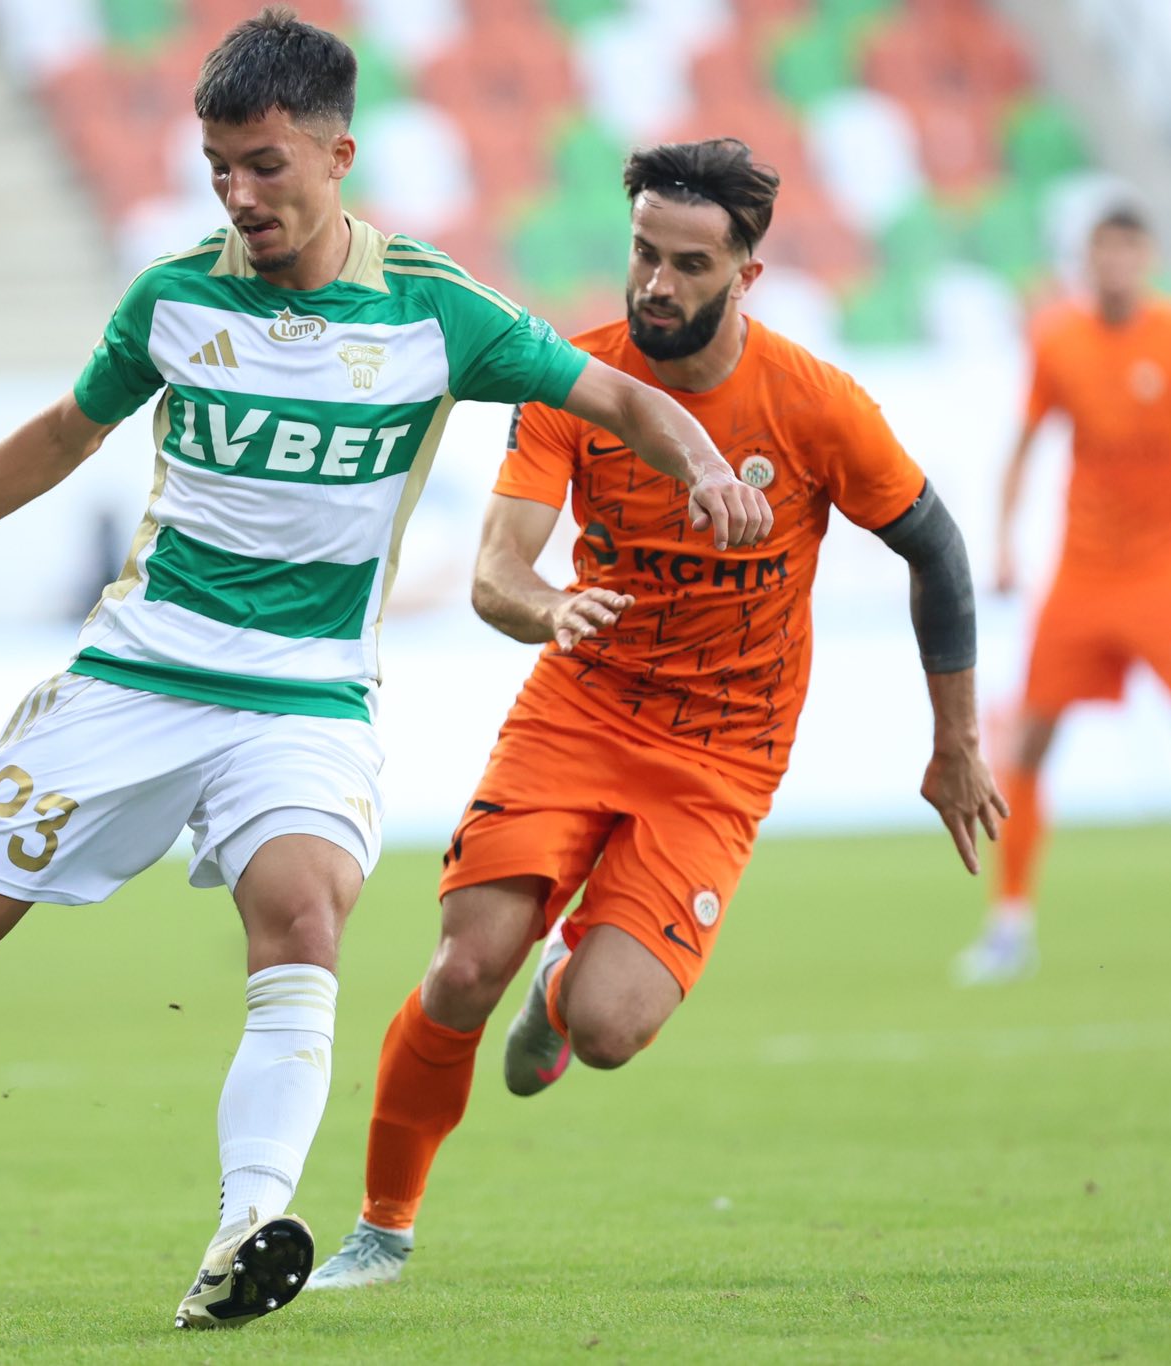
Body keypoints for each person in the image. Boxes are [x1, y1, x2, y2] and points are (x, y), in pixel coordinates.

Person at [0, 10, 771, 1333]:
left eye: (265, 165)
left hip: (306, 697)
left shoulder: (435, 311)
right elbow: (62, 434)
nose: (239, 195)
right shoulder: (174, 298)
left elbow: (622, 395)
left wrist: (703, 464)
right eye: (217, 166)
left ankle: (246, 1226)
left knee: (303, 916)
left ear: (338, 155)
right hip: (137, 674)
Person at [305, 137, 1006, 1290]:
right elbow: (494, 572)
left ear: (745, 275)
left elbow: (934, 549)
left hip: (722, 753)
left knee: (609, 1029)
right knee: (465, 963)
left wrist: (955, 740)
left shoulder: (814, 405)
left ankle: (562, 986)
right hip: (577, 714)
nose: (655, 284)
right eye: (643, 253)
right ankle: (381, 1228)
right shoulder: (573, 381)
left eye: (688, 264)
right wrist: (548, 608)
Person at [954, 206, 1171, 984]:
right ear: (1086, 261)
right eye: (1100, 250)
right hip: (1082, 575)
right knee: (1030, 742)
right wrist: (1006, 543)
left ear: (1146, 258)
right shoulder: (1058, 340)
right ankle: (1010, 924)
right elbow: (1023, 448)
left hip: (1170, 576)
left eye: (1125, 249)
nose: (1112, 263)